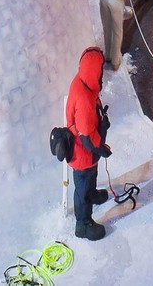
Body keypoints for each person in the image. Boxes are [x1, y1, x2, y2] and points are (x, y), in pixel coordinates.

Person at [65, 46, 112, 241]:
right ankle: (83, 224)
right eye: (100, 71)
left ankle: (92, 194)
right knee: (82, 188)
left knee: (91, 177)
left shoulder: (84, 83)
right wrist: (101, 149)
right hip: (83, 153)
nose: (102, 76)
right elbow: (86, 136)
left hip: (88, 155)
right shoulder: (84, 99)